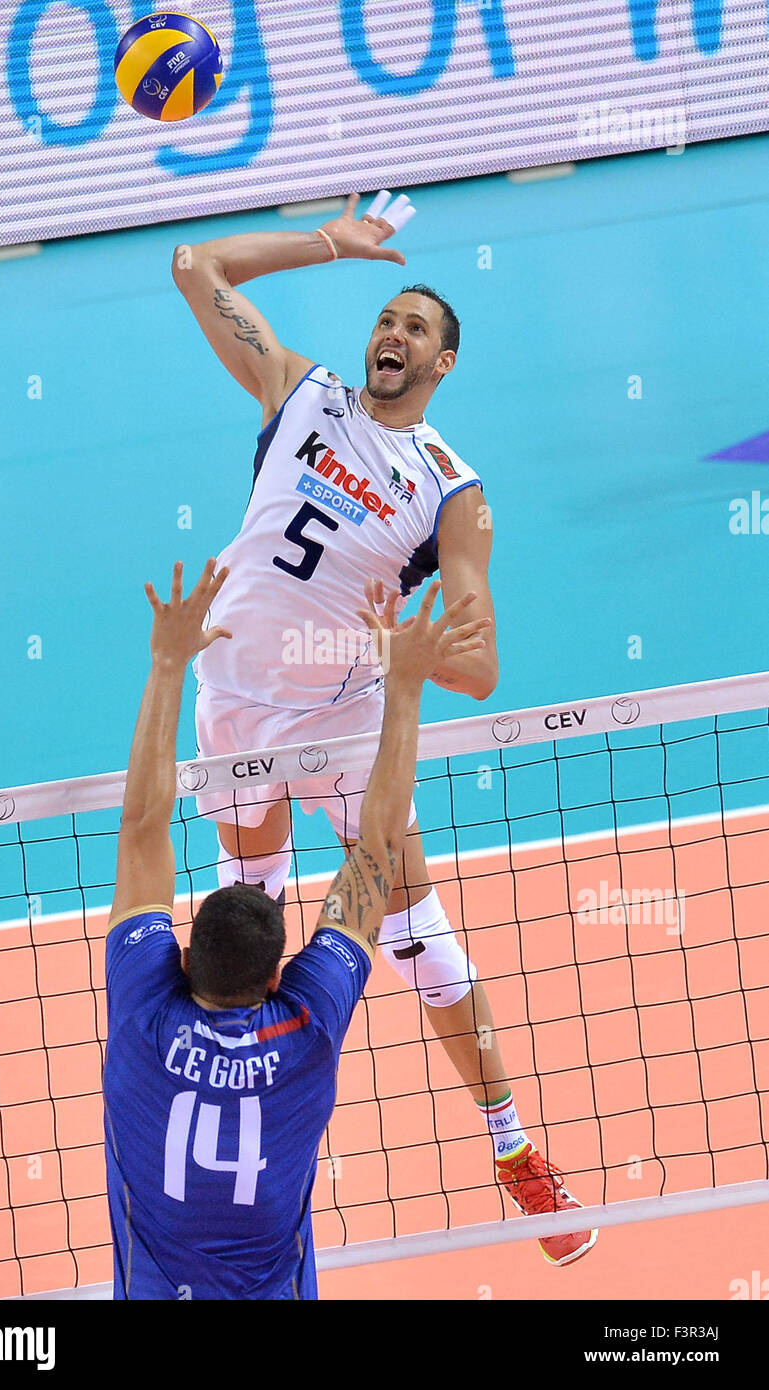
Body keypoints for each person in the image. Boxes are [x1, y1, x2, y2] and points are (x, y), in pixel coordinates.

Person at [170, 190, 596, 1266]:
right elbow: (194, 265)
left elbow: (481, 657)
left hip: (348, 721)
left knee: (414, 939)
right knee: (245, 923)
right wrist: (330, 242)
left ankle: (513, 1148)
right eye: (386, 316)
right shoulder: (300, 391)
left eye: (416, 326)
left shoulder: (451, 489)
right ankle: (248, 1171)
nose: (392, 332)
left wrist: (416, 651)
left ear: (444, 362)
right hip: (230, 708)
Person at [103, 557, 486, 1299]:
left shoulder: (144, 1016)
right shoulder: (304, 1029)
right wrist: (401, 687)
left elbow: (142, 824)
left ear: (179, 960)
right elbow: (377, 851)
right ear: (278, 976)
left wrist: (166, 665)